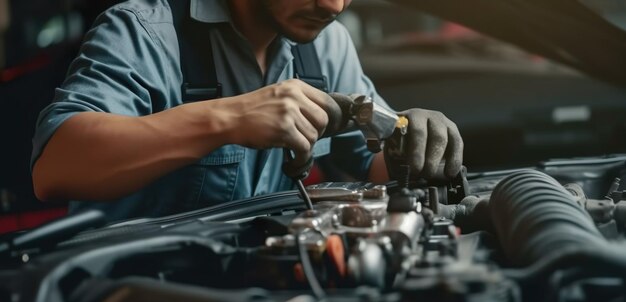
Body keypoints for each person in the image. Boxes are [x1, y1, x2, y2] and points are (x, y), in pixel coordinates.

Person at [31, 0, 463, 222]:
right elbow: (55, 168)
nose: (333, 6)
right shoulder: (145, 32)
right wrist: (228, 119)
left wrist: (411, 147)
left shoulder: (324, 45)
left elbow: (372, 165)